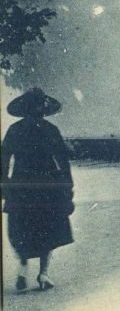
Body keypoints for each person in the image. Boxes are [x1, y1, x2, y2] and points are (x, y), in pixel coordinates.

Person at [1, 87, 74, 292]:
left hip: (21, 185)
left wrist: (4, 183)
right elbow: (63, 161)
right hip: (47, 186)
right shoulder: (51, 129)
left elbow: (3, 159)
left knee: (21, 228)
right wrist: (67, 186)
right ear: (43, 108)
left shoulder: (14, 130)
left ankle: (23, 269)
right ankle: (43, 274)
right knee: (48, 227)